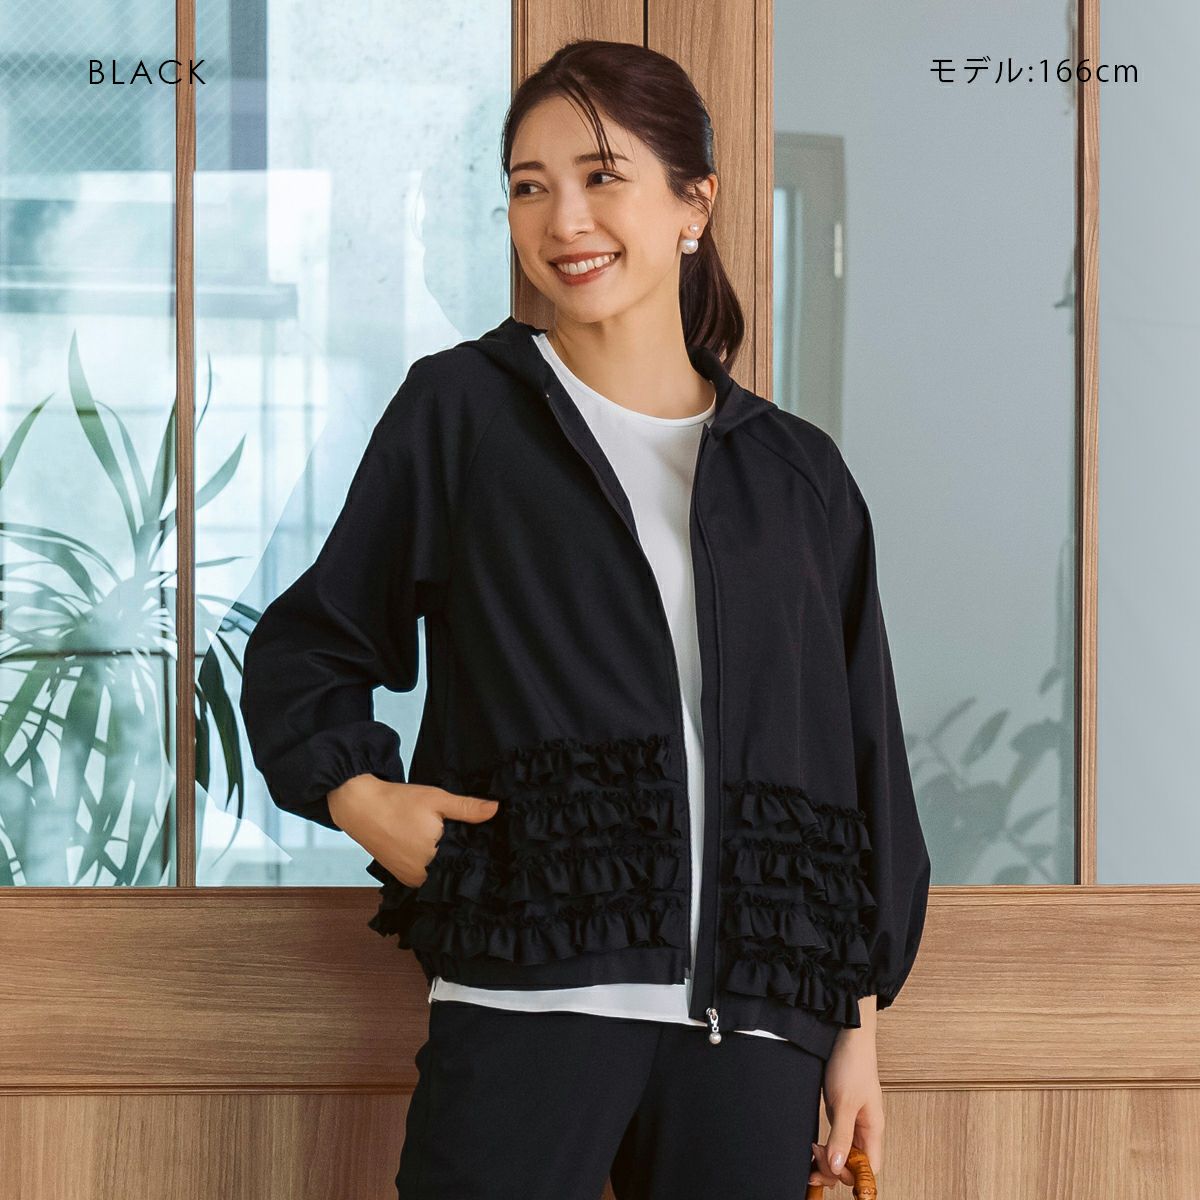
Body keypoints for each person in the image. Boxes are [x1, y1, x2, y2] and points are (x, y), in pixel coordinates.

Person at [239, 38, 931, 1200]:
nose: (564, 218)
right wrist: (366, 802)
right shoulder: (463, 413)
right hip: (526, 998)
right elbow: (309, 648)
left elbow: (856, 764)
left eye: (602, 175)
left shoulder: (800, 477)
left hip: (757, 1035)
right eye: (529, 185)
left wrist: (854, 1027)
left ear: (693, 204)